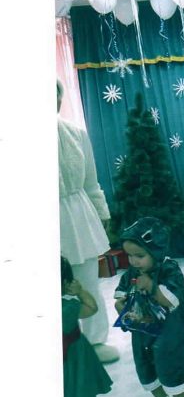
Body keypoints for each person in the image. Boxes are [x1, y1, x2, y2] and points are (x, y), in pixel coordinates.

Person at [57, 79, 119, 363]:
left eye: (57, 94)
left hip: (79, 216)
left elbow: (91, 182)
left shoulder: (76, 133)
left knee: (88, 282)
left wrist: (102, 213)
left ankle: (95, 341)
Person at [113, 217, 184, 397]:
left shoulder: (169, 270)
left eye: (140, 255)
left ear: (156, 250)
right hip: (142, 331)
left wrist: (152, 286)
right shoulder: (133, 272)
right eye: (129, 255)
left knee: (170, 367)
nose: (133, 261)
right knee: (145, 367)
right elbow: (121, 295)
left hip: (169, 333)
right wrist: (121, 306)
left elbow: (173, 300)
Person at [61, 256, 112, 397]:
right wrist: (81, 291)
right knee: (79, 387)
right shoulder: (67, 308)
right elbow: (91, 308)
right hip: (74, 354)